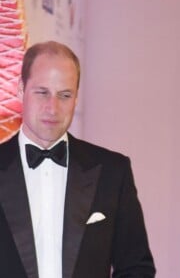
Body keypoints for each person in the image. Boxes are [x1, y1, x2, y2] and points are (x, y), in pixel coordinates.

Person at [0, 40, 155, 278]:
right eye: (42, 93)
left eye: (64, 95)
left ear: (76, 98)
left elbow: (136, 267)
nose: (52, 108)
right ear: (21, 89)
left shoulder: (112, 171)